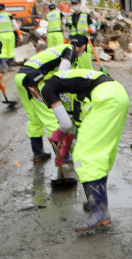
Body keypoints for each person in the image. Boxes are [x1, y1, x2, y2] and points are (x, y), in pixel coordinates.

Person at [28, 69, 129, 232]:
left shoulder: (47, 88)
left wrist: (56, 135)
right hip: (117, 94)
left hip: (106, 99)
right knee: (99, 153)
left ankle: (100, 212)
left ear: (32, 89)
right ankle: (97, 202)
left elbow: (65, 126)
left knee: (85, 154)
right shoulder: (64, 87)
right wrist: (64, 149)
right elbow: (74, 125)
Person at [15, 35, 87, 163]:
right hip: (34, 81)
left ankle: (38, 153)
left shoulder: (58, 49)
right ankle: (63, 156)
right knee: (52, 119)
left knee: (34, 119)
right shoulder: (71, 50)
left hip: (21, 77)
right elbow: (61, 74)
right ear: (83, 47)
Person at [66, 0, 96, 70]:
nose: (74, 5)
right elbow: (67, 32)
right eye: (73, 4)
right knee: (73, 67)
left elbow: (93, 30)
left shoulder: (86, 16)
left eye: (75, 3)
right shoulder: (69, 17)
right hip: (73, 44)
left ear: (80, 4)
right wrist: (66, 44)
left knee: (86, 67)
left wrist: (88, 29)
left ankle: (89, 80)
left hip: (84, 45)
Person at [0, 4, 23, 73]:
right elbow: (16, 26)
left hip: (0, 36)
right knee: (10, 51)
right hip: (10, 35)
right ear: (4, 9)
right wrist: (20, 35)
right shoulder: (9, 15)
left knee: (2, 51)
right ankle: (10, 67)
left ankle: (2, 68)